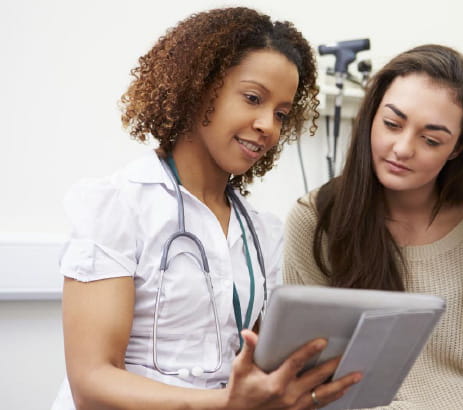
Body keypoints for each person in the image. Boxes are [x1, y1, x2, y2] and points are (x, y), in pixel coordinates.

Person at [52, 7, 361, 409]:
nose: (268, 126)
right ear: (199, 88)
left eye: (281, 114)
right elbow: (92, 384)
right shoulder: (118, 206)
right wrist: (226, 403)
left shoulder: (261, 233)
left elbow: (256, 365)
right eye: (253, 98)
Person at [283, 44, 463, 409]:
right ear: (371, 116)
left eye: (430, 140)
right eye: (392, 124)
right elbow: (307, 373)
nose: (402, 148)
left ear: (458, 148)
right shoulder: (316, 220)